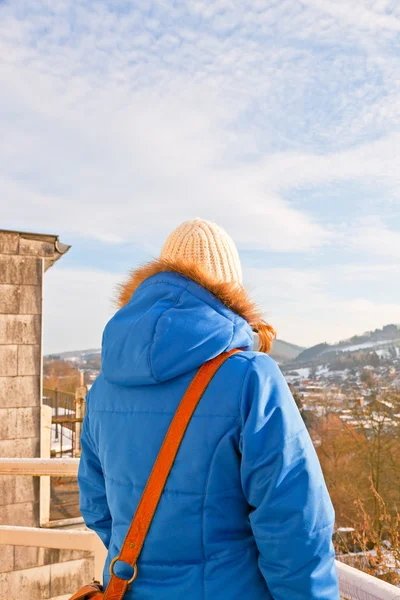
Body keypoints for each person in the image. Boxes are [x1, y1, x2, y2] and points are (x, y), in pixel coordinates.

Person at [78, 217, 340, 599]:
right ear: (229, 290)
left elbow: (97, 507)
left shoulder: (103, 387)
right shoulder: (251, 377)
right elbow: (295, 527)